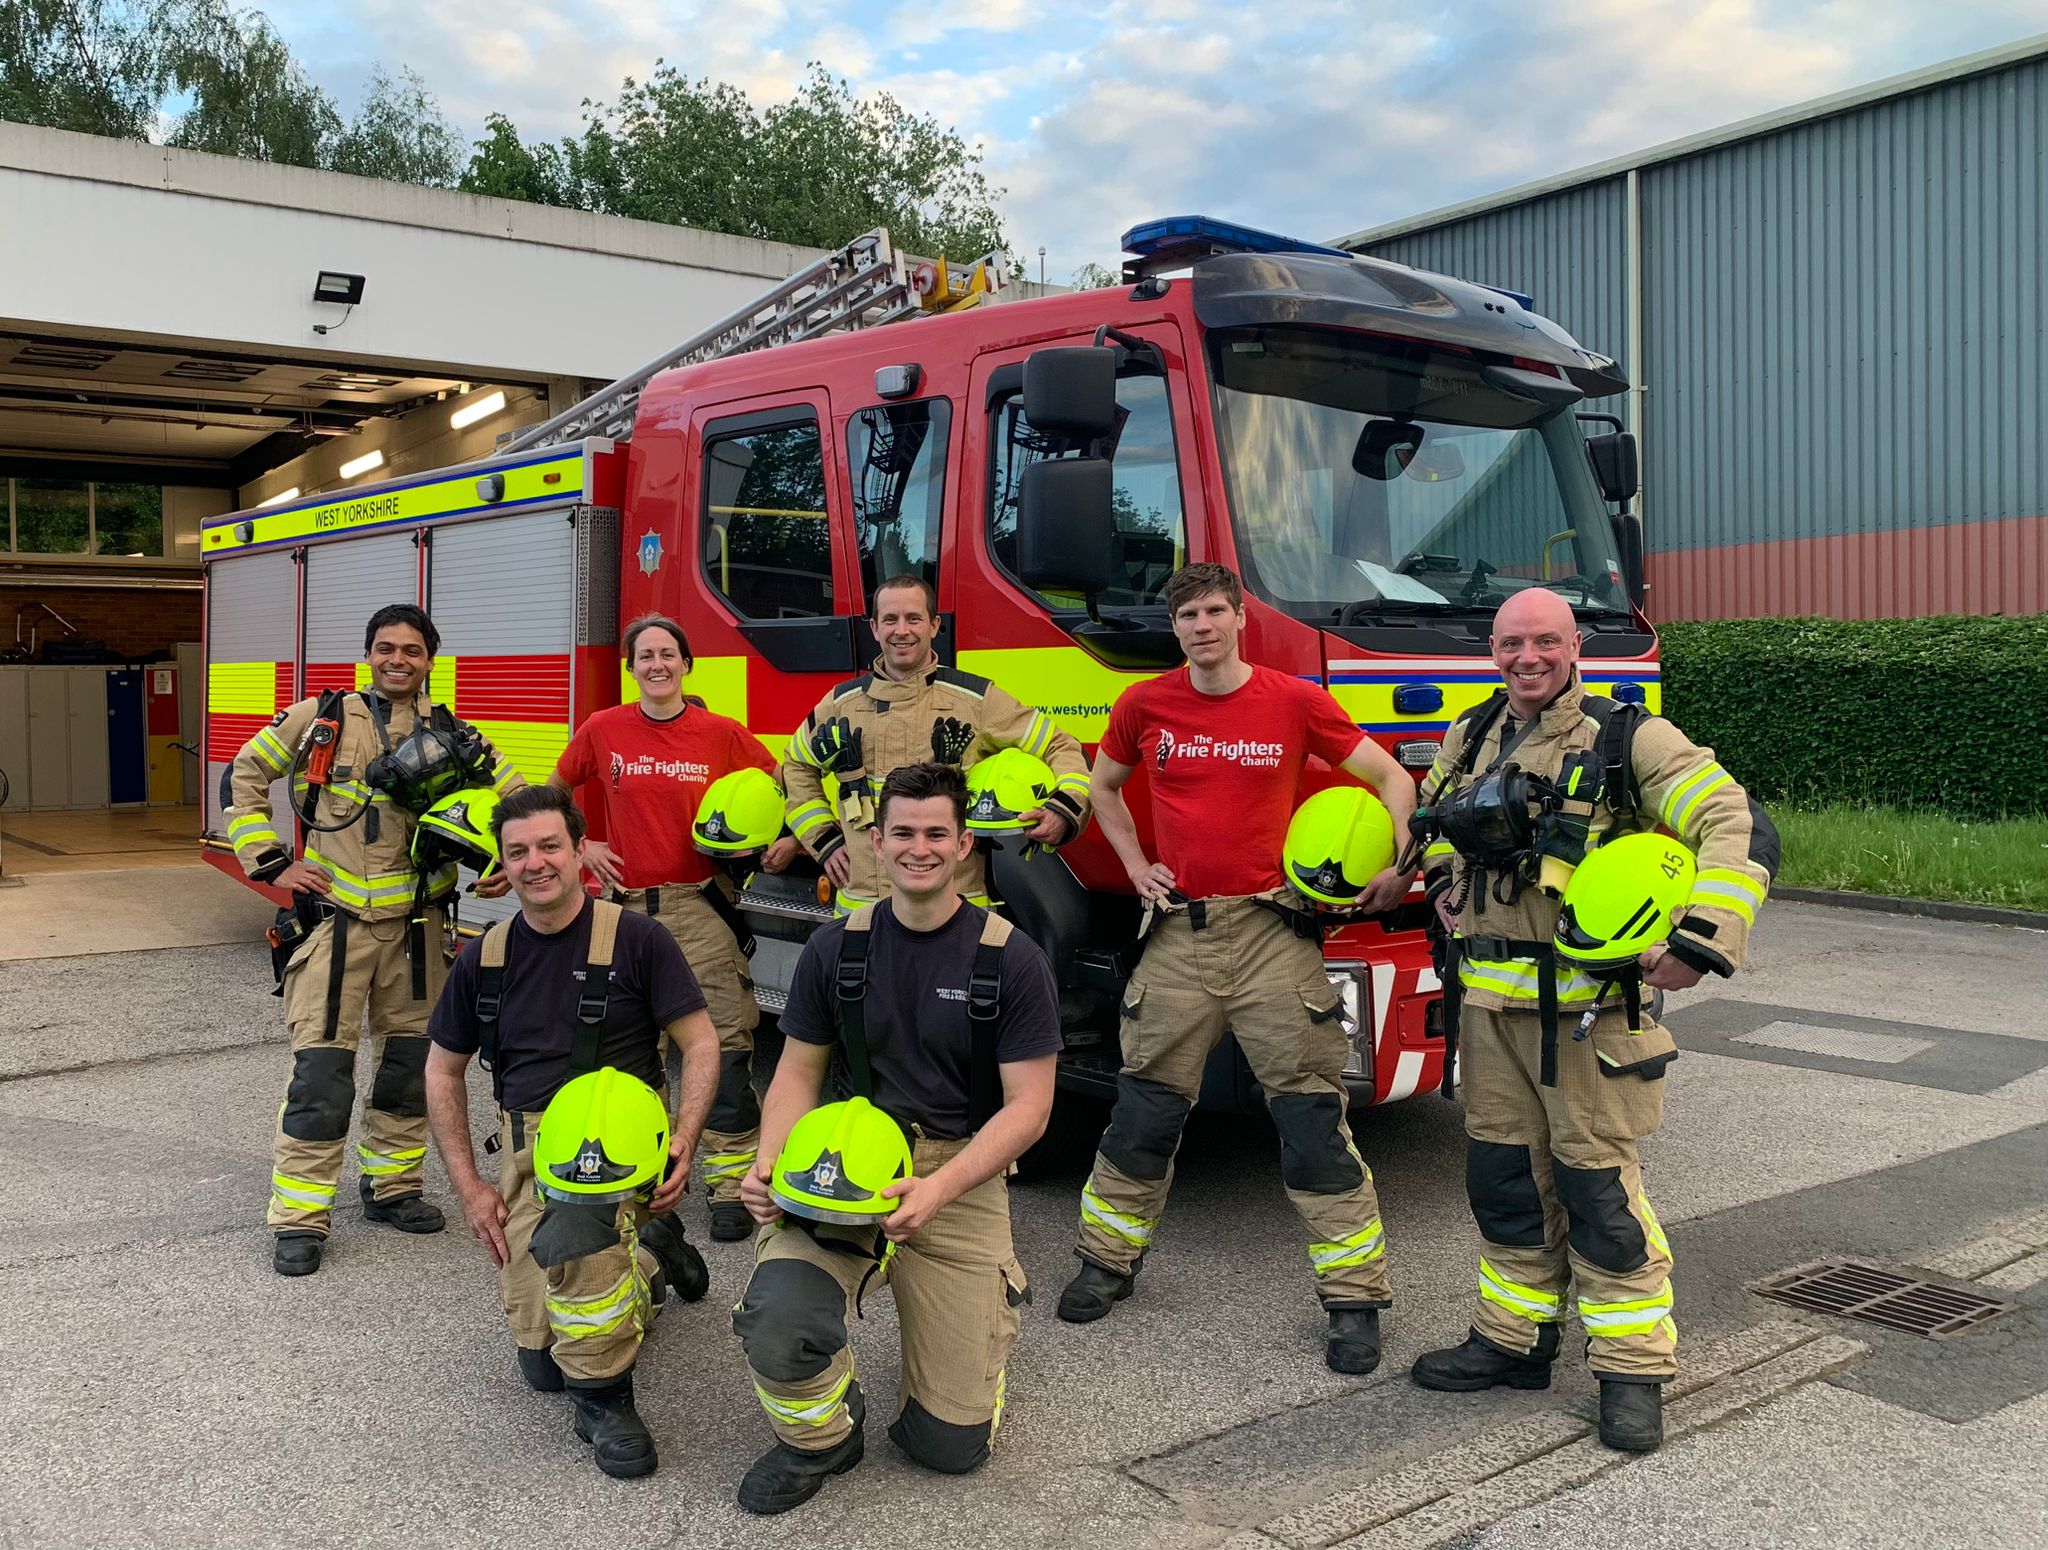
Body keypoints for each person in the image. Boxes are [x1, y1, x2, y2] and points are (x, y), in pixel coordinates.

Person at [1407, 586, 1777, 1453]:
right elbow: (1432, 824)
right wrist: (1440, 886)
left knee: (1600, 1195)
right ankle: (1513, 1342)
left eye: (1543, 642)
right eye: (1509, 644)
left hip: (1590, 1021)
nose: (1525, 658)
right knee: (1503, 1187)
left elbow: (1736, 822)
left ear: (1574, 646)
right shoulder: (1470, 735)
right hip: (1491, 1013)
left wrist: (1704, 938)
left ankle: (1633, 1371)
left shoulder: (1627, 738)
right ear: (1491, 651)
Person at [1056, 562, 1417, 1376]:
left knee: (1311, 1123)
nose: (1202, 625)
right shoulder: (1145, 703)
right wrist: (1135, 862)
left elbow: (1391, 778)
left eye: (1216, 610)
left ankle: (1355, 1300)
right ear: (1174, 627)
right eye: (1187, 615)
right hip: (1179, 930)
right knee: (1143, 1111)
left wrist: (1393, 862)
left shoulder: (1294, 701)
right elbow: (1102, 788)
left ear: (1240, 618)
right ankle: (1106, 1262)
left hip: (1271, 931)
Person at [730, 762, 1060, 1515]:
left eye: (936, 832)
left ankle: (982, 1308)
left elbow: (1029, 1110)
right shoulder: (836, 947)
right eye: (902, 832)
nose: (920, 848)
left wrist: (938, 1189)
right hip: (843, 1157)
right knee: (780, 1325)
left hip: (955, 1174)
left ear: (964, 841)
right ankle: (824, 1438)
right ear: (875, 841)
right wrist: (768, 1162)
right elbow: (796, 1074)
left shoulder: (1011, 959)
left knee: (948, 1449)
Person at [424, 783, 720, 1479]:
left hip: (621, 1141)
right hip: (531, 1145)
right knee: (540, 1365)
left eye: (551, 845)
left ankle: (606, 1400)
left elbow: (702, 1044)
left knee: (577, 1257)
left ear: (581, 850)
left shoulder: (641, 939)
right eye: (518, 851)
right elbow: (441, 1073)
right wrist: (470, 1188)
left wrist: (684, 1141)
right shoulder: (482, 957)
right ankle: (652, 1256)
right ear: (501, 865)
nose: (536, 863)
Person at [224, 602, 522, 1277]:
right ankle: (300, 1217)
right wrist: (272, 862)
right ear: (369, 655)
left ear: (429, 660)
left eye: (412, 650)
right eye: (386, 648)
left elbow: (518, 804)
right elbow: (242, 776)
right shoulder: (319, 719)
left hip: (421, 936)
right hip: (335, 931)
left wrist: (510, 863)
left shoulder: (459, 736)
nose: (398, 660)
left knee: (410, 1073)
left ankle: (392, 1187)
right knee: (322, 1077)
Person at [552, 613, 800, 1242]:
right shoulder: (603, 729)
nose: (657, 665)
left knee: (727, 1040)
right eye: (645, 655)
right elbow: (554, 794)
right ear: (631, 667)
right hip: (622, 912)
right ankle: (638, 1172)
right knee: (628, 1048)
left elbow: (783, 786)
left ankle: (728, 1184)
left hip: (698, 906)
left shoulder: (719, 732)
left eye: (668, 653)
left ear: (687, 665)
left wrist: (793, 839)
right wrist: (582, 848)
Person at [781, 573, 1091, 913]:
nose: (902, 630)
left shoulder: (975, 699)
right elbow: (796, 765)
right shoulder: (840, 705)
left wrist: (1065, 807)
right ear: (874, 628)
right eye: (890, 620)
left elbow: (1060, 745)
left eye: (914, 618)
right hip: (863, 909)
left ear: (934, 625)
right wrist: (822, 839)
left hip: (956, 909)